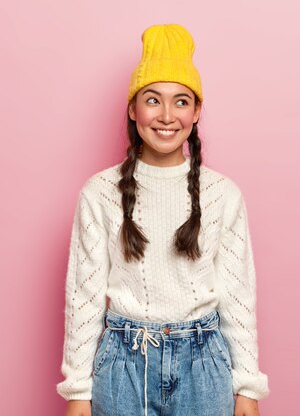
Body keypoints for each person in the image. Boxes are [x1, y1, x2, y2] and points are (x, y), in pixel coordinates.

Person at [56, 23, 270, 416]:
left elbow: (238, 296)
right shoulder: (99, 193)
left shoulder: (222, 194)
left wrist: (248, 386)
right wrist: (77, 393)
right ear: (133, 109)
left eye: (181, 101)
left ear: (197, 110)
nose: (167, 116)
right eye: (153, 100)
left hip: (204, 368)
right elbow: (83, 298)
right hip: (123, 367)